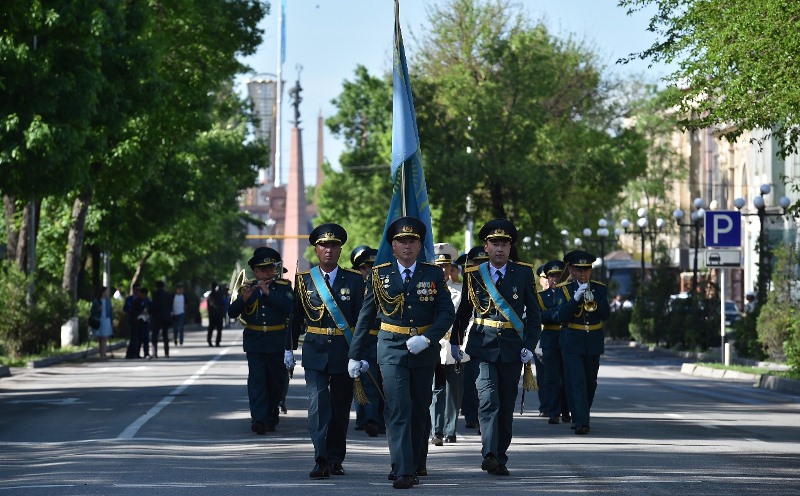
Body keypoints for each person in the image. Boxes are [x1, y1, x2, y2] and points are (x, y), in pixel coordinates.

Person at [348, 216, 455, 490]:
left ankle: (418, 459)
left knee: (419, 407)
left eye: (413, 241)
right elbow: (366, 315)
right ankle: (402, 468)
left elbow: (446, 312)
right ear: (393, 245)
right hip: (391, 347)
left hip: (422, 349)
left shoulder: (432, 274)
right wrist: (354, 353)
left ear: (420, 245)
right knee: (398, 408)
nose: (407, 246)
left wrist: (428, 338)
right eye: (401, 241)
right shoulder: (379, 274)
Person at [450, 218, 541, 476]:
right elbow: (464, 313)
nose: (499, 248)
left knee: (506, 403)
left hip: (512, 348)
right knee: (488, 401)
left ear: (510, 247)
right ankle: (489, 453)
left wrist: (530, 345)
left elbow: (534, 315)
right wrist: (456, 342)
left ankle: (500, 455)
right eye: (494, 243)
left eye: (504, 243)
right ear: (486, 247)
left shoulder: (523, 273)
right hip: (482, 346)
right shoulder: (473, 275)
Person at [290, 223, 366, 479]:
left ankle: (335, 458)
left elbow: (361, 320)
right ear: (316, 249)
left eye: (333, 246)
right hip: (314, 353)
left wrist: (360, 354)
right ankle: (320, 457)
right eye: (324, 245)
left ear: (340, 250)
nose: (329, 250)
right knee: (318, 405)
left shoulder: (354, 281)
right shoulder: (303, 281)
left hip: (344, 353)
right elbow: (295, 319)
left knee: (340, 408)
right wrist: (288, 349)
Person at [228, 247, 294, 435]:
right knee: (257, 382)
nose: (266, 273)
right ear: (255, 271)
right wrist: (243, 299)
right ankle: (258, 418)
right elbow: (232, 313)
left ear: (274, 269)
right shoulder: (247, 289)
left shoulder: (283, 287)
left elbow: (290, 308)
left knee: (275, 382)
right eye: (261, 269)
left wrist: (268, 293)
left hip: (277, 342)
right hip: (255, 343)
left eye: (269, 269)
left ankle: (271, 415)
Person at [552, 250, 610, 435]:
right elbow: (561, 315)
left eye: (587, 269)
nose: (584, 273)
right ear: (571, 270)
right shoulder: (563, 290)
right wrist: (576, 298)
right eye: (579, 269)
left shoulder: (599, 288)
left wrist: (595, 302)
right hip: (572, 340)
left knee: (590, 382)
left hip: (592, 340)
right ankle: (581, 421)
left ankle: (581, 414)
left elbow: (606, 314)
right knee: (576, 381)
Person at [429, 243, 463, 446]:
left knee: (454, 390)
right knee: (436, 389)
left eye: (446, 266)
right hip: (434, 343)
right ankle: (437, 430)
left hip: (454, 344)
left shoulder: (459, 291)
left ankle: (450, 429)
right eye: (439, 266)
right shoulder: (426, 289)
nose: (443, 270)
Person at [350, 245, 385, 437]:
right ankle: (370, 419)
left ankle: (379, 418)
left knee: (385, 381)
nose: (369, 270)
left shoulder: (386, 285)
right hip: (365, 339)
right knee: (367, 380)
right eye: (365, 267)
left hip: (384, 338)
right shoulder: (356, 288)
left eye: (373, 266)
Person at [456, 247, 489, 431]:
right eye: (476, 262)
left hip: (484, 338)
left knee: (482, 383)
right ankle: (471, 416)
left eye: (483, 262)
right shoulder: (467, 282)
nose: (480, 266)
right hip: (467, 337)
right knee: (468, 382)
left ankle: (482, 418)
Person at [536, 260, 571, 425]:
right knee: (552, 378)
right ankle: (553, 411)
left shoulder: (568, 294)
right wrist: (558, 315)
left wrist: (555, 314)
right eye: (552, 276)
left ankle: (566, 410)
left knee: (567, 378)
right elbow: (541, 316)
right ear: (547, 278)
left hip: (566, 338)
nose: (555, 279)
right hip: (550, 339)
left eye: (558, 275)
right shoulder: (541, 297)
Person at [89, 286, 114, 359]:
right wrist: (98, 309)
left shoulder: (108, 301)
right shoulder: (96, 301)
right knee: (100, 338)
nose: (107, 293)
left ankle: (103, 353)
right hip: (99, 320)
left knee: (104, 337)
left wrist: (111, 321)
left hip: (106, 320)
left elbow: (110, 312)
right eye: (106, 292)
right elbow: (92, 311)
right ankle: (102, 353)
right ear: (102, 292)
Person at [150, 281, 172, 358]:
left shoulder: (155, 294)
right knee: (165, 335)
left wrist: (151, 314)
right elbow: (169, 306)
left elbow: (154, 306)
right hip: (165, 317)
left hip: (157, 317)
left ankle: (154, 352)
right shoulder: (167, 294)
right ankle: (166, 352)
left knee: (155, 335)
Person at [207, 282, 225, 347]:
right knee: (218, 329)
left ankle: (211, 341)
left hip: (213, 314)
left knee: (212, 329)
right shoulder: (218, 294)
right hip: (217, 314)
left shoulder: (211, 295)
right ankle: (216, 342)